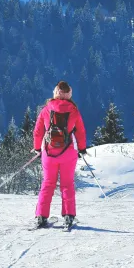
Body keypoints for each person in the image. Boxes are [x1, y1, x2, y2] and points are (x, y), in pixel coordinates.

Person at [32, 81, 88, 229]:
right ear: (69, 94)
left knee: (48, 183)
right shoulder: (74, 110)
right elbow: (81, 132)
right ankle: (69, 216)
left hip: (49, 153)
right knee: (67, 184)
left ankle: (41, 216)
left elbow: (38, 131)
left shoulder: (46, 110)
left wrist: (38, 148)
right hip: (68, 152)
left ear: (55, 93)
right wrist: (82, 148)